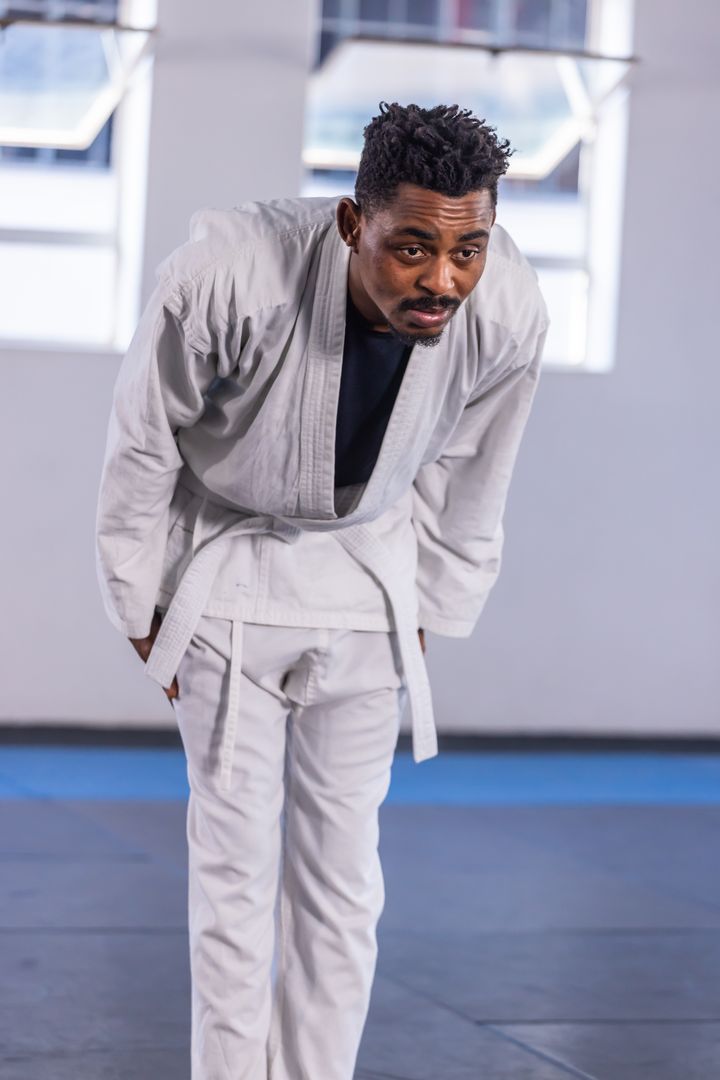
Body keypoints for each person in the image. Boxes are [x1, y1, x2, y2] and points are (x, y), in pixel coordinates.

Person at [95, 101, 548, 1080]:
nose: (443, 279)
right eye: (413, 248)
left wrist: (431, 605)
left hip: (369, 587)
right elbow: (143, 439)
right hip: (228, 580)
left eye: (468, 250)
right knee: (234, 874)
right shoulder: (229, 274)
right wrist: (139, 602)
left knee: (345, 881)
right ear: (353, 222)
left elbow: (474, 469)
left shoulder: (507, 309)